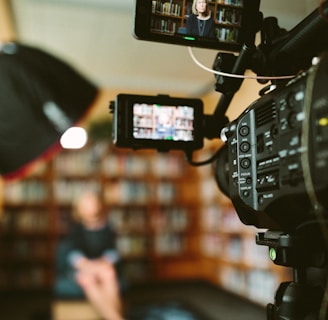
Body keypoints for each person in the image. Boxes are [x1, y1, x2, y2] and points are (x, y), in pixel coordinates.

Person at [54, 190, 125, 320]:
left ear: (98, 205)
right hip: (83, 267)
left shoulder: (107, 226)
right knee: (88, 279)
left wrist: (102, 262)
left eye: (92, 204)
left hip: (103, 265)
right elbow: (73, 254)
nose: (89, 208)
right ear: (79, 209)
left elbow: (113, 252)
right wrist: (88, 265)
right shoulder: (75, 228)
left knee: (108, 273)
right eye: (85, 205)